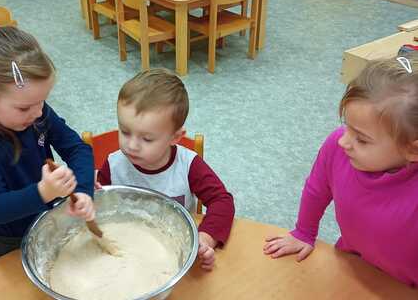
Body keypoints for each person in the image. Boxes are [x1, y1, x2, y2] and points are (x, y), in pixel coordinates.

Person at [263, 55, 418, 286]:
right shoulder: (338, 148)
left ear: (412, 151)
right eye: (347, 126)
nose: (344, 142)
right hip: (353, 265)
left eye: (362, 140)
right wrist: (304, 232)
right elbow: (316, 189)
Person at [0, 19, 95, 263]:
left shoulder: (34, 111)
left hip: (46, 219)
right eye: (24, 107)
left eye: (42, 101)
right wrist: (43, 191)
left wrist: (82, 191)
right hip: (7, 241)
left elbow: (77, 149)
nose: (39, 113)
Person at [97, 68, 235, 271]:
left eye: (147, 138)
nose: (132, 145)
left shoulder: (188, 166)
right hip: (127, 249)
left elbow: (222, 201)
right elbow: (98, 205)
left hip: (171, 253)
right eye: (125, 132)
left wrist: (204, 239)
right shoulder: (114, 165)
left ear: (175, 137)